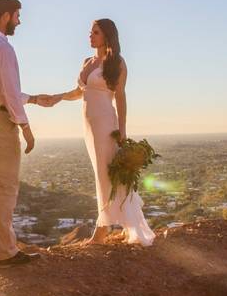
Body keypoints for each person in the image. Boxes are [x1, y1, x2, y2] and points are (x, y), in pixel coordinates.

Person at [55, 18, 155, 246]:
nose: (90, 36)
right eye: (90, 32)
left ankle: (102, 231)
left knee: (104, 174)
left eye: (95, 32)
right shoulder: (87, 62)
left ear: (107, 36)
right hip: (88, 124)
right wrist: (58, 97)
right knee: (102, 173)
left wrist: (122, 131)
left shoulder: (117, 63)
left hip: (105, 124)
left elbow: (120, 97)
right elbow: (80, 91)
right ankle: (118, 223)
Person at [0, 0, 57, 266]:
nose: (20, 21)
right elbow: (8, 93)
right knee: (6, 188)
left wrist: (32, 98)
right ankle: (6, 251)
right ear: (6, 15)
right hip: (0, 123)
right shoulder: (3, 48)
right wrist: (26, 128)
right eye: (17, 16)